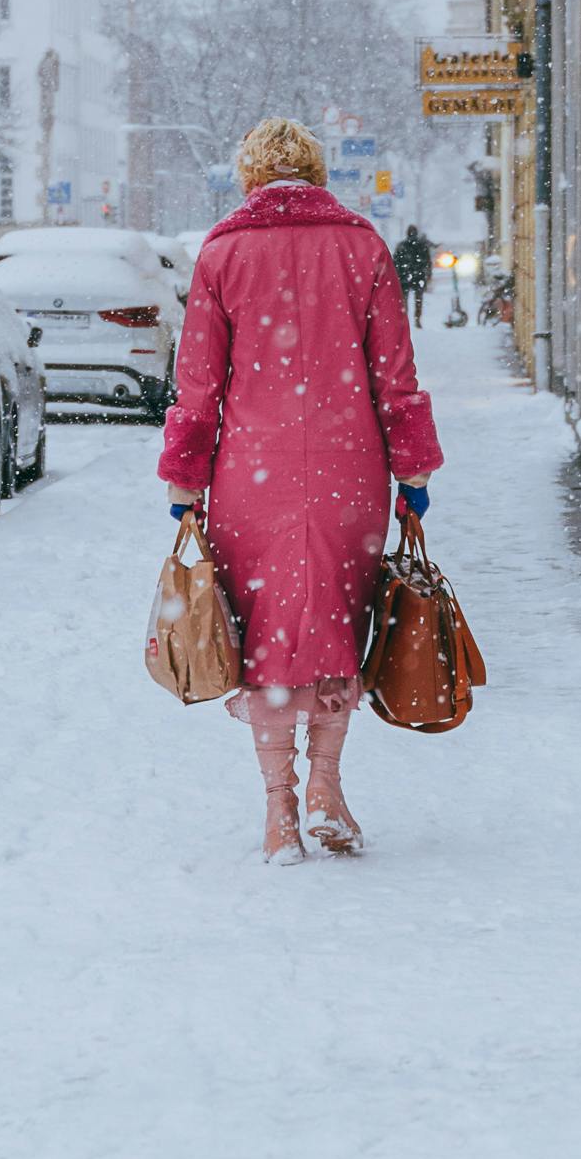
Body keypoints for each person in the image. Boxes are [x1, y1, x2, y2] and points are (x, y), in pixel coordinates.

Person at [159, 116, 443, 864]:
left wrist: (183, 480)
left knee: (266, 641)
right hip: (349, 469)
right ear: (317, 175)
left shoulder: (220, 255)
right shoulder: (363, 248)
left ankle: (278, 810)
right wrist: (411, 471)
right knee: (333, 628)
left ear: (249, 178)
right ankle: (324, 784)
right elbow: (396, 377)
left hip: (253, 474)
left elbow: (197, 389)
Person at [392, 218, 435, 328]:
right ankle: (417, 319)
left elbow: (394, 262)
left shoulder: (401, 246)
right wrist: (428, 274)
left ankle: (405, 319)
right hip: (418, 276)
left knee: (404, 300)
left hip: (404, 277)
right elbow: (427, 262)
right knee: (418, 299)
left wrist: (396, 276)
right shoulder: (422, 245)